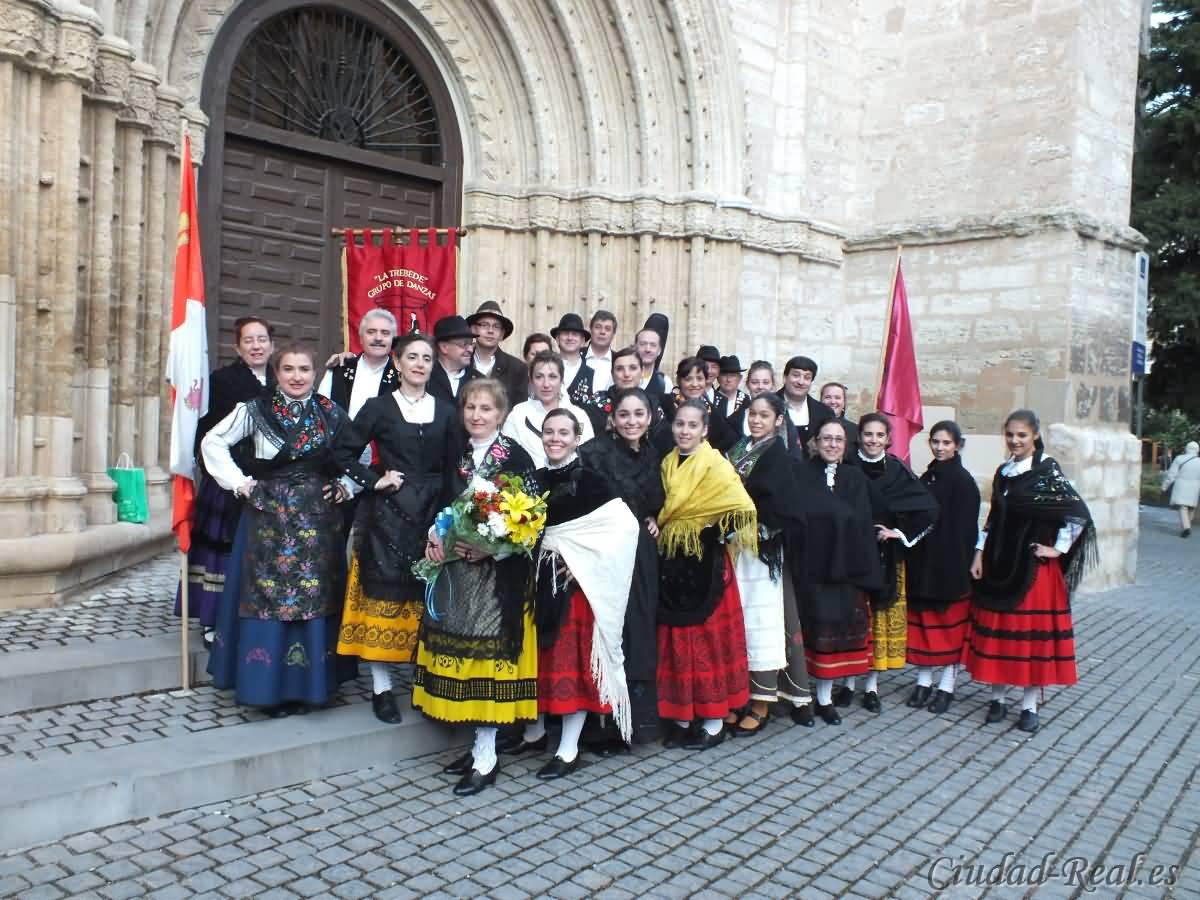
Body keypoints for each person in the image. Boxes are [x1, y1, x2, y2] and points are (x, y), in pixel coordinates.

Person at [202, 343, 357, 716]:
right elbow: (213, 441)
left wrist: (346, 486)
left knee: (315, 598)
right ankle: (265, 691)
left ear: (315, 373)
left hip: (317, 521)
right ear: (276, 373)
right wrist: (240, 483)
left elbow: (359, 455)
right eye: (288, 369)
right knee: (266, 601)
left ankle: (311, 689)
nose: (297, 376)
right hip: (267, 517)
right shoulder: (255, 410)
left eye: (304, 369)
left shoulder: (331, 413)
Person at [413, 379, 541, 795]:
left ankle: (487, 757)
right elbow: (443, 504)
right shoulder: (458, 453)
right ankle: (476, 747)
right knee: (464, 660)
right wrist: (434, 536)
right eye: (471, 407)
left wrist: (492, 550)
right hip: (458, 573)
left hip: (496, 579)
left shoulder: (516, 457)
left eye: (486, 409)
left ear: (501, 414)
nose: (477, 415)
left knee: (486, 663)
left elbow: (532, 525)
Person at [332, 334, 462, 723]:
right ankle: (382, 687)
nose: (420, 364)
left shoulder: (447, 411)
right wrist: (374, 480)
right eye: (412, 357)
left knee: (425, 597)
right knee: (382, 596)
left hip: (433, 513)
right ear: (398, 362)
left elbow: (455, 467)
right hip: (388, 513)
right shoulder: (379, 407)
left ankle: (424, 681)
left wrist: (449, 516)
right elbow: (341, 451)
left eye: (426, 358)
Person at [964, 409, 1097, 733]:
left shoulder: (1047, 471)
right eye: (1010, 434)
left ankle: (1028, 705)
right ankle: (997, 699)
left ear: (1035, 435)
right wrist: (979, 553)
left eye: (1022, 435)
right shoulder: (1004, 471)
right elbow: (993, 518)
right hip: (999, 562)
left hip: (1033, 569)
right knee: (999, 635)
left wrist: (1058, 549)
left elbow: (1077, 512)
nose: (1015, 440)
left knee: (1030, 640)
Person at [522, 409, 639, 778]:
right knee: (538, 660)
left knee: (570, 664)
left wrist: (582, 562)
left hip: (575, 589)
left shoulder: (591, 479)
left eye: (563, 433)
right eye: (549, 432)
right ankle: (535, 732)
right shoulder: (534, 479)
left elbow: (625, 528)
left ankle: (568, 748)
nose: (555, 438)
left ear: (576, 438)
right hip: (537, 582)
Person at [656, 401, 757, 750]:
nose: (684, 431)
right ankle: (682, 718)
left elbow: (742, 507)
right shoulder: (668, 462)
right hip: (672, 561)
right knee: (676, 641)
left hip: (706, 562)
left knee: (707, 643)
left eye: (692, 425)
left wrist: (713, 530)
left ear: (704, 430)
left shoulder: (716, 463)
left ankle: (714, 722)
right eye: (680, 424)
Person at [176, 316, 275, 646]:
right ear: (237, 347)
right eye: (249, 340)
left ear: (271, 345)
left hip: (268, 484)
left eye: (262, 339)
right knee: (222, 554)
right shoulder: (221, 381)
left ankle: (252, 620)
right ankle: (213, 621)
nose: (256, 346)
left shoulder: (283, 380)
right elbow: (205, 433)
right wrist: (222, 474)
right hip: (227, 483)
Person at [576, 388, 666, 746]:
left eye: (639, 414)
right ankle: (601, 723)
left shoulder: (654, 454)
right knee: (606, 629)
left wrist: (656, 517)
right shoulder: (593, 453)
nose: (632, 421)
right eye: (624, 414)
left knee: (638, 629)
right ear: (612, 418)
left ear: (649, 418)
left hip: (640, 556)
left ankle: (634, 723)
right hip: (604, 553)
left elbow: (657, 501)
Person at [836, 413, 939, 713]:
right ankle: (848, 683)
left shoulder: (897, 470)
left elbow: (929, 508)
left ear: (888, 439)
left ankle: (871, 686)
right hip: (850, 555)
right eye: (868, 434)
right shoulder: (845, 466)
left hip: (885, 557)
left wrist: (899, 533)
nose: (873, 440)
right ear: (859, 437)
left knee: (878, 623)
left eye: (879, 435)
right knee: (853, 619)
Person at [725, 393, 813, 733]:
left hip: (762, 552)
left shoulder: (779, 455)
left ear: (778, 420)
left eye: (764, 415)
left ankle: (762, 701)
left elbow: (785, 509)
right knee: (737, 621)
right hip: (734, 548)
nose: (756, 420)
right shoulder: (738, 449)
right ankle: (738, 695)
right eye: (753, 414)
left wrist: (753, 528)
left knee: (761, 622)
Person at [794, 418, 883, 725]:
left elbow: (863, 520)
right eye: (826, 438)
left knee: (835, 637)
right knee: (812, 634)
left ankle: (826, 697)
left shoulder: (855, 477)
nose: (832, 444)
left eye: (838, 440)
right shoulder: (801, 474)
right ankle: (805, 697)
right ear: (816, 442)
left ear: (846, 446)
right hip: (812, 568)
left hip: (845, 569)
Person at [904, 421, 980, 714]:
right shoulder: (928, 477)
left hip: (949, 567)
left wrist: (958, 567)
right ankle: (923, 682)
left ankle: (947, 685)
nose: (940, 447)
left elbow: (965, 531)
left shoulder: (963, 482)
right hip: (924, 563)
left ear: (957, 445)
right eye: (935, 441)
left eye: (946, 443)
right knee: (924, 627)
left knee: (949, 631)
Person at [317, 310, 401, 531]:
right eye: (371, 332)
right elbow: (319, 416)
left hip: (380, 475)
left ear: (393, 339)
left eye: (385, 333)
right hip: (335, 470)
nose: (378, 338)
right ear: (361, 337)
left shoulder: (401, 377)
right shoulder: (340, 369)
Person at [502, 351, 595, 467]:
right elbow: (505, 455)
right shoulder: (518, 414)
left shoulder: (579, 415)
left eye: (552, 377)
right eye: (539, 377)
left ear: (561, 380)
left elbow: (590, 457)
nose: (546, 384)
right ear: (531, 380)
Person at [654, 357, 735, 453]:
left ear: (705, 381)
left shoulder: (709, 409)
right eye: (688, 379)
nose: (695, 384)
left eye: (700, 379)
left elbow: (729, 440)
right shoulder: (665, 404)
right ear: (679, 380)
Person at [466, 300, 528, 407]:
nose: (490, 331)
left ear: (502, 334)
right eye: (484, 325)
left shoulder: (517, 368)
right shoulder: (461, 362)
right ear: (473, 329)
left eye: (496, 326)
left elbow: (520, 409)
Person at [778, 355, 836, 459]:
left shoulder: (825, 412)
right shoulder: (769, 405)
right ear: (785, 378)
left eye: (807, 377)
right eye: (796, 375)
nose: (801, 382)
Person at [549, 313, 599, 419]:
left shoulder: (593, 373)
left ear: (583, 341)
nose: (570, 338)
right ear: (557, 339)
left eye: (575, 334)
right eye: (565, 333)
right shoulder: (547, 367)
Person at [427, 315, 479, 403]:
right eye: (464, 344)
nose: (470, 349)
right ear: (444, 347)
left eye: (471, 344)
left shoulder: (479, 381)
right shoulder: (425, 377)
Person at [1163, 440, 1200, 538]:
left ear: (1186, 448)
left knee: (1183, 507)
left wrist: (1164, 486)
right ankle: (1187, 526)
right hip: (1195, 487)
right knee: (1191, 507)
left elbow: (1171, 475)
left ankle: (1186, 528)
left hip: (1181, 486)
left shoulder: (1179, 458)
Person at [820, 381, 859, 459]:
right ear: (821, 400)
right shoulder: (811, 425)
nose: (832, 401)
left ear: (844, 403)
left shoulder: (855, 430)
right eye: (828, 397)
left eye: (837, 398)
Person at [584, 310, 618, 392]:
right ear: (591, 330)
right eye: (598, 327)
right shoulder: (577, 356)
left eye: (607, 329)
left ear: (613, 334)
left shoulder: (618, 360)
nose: (602, 332)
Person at [635, 326, 672, 397]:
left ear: (659, 351)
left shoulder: (665, 382)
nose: (648, 349)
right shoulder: (622, 376)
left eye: (653, 345)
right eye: (643, 344)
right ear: (635, 347)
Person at [714, 355, 749, 421]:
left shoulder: (747, 401)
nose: (728, 380)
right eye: (724, 375)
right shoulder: (711, 399)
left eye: (732, 375)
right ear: (718, 378)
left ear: (740, 378)